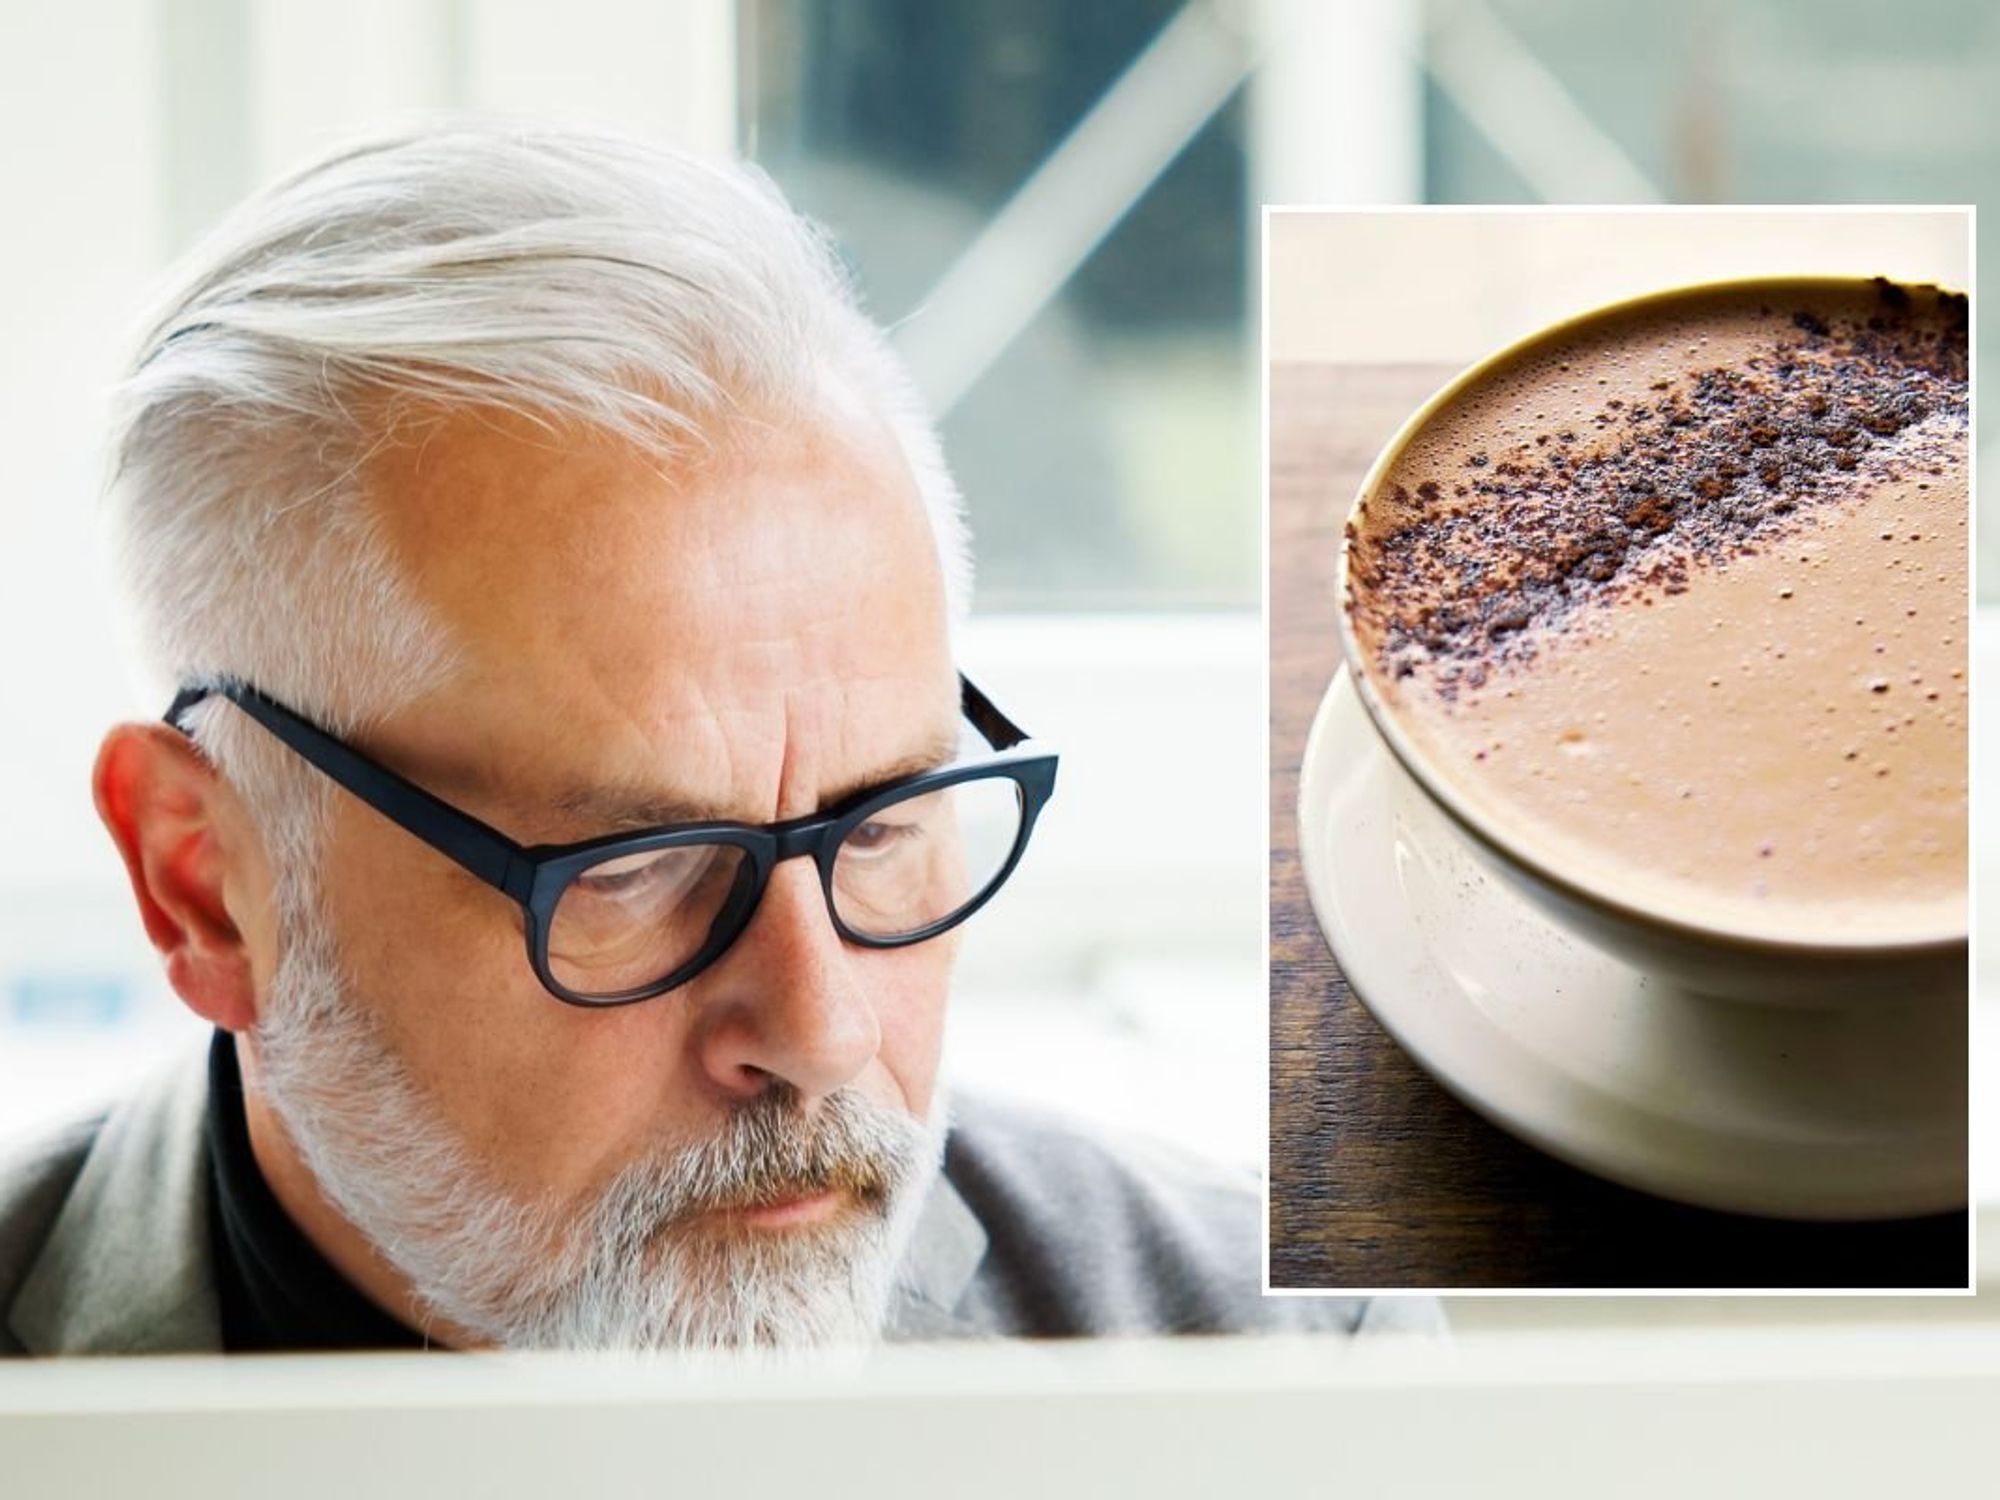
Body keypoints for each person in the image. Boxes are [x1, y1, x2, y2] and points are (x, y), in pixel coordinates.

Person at [0, 121, 1434, 1355]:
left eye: (881, 826)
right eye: (631, 866)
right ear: (204, 883)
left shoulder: (1283, 1373)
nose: (822, 1030)